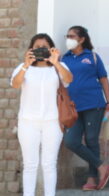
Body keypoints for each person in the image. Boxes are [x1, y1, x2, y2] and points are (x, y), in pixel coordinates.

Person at [11, 34, 73, 196]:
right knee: (30, 165)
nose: (40, 50)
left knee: (49, 164)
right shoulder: (23, 67)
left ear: (51, 49)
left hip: (53, 122)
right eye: (37, 47)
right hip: (27, 122)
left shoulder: (58, 67)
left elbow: (69, 79)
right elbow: (15, 84)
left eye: (44, 47)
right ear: (30, 49)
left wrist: (56, 62)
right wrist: (26, 65)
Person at [61, 26, 109, 191]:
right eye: (67, 36)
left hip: (94, 105)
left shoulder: (92, 57)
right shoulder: (64, 58)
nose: (68, 39)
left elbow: (103, 79)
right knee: (71, 141)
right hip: (72, 108)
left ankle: (92, 178)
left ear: (82, 39)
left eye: (72, 36)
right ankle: (102, 167)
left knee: (91, 140)